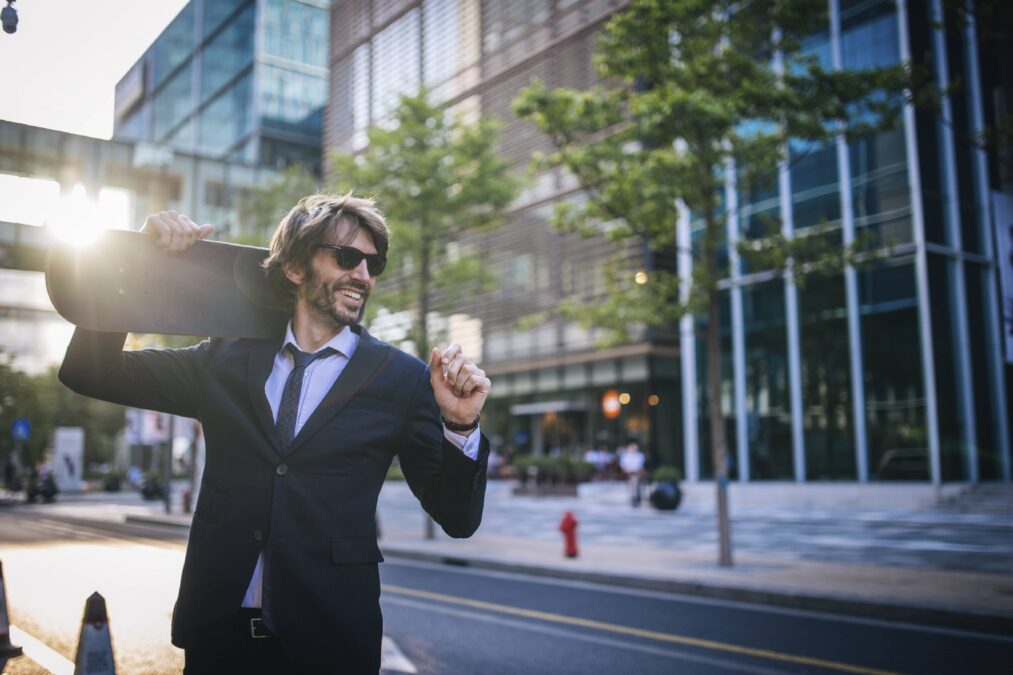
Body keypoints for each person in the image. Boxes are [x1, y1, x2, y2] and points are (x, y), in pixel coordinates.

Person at [59, 194, 491, 674]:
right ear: (295, 269)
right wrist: (131, 267)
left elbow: (457, 517)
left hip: (331, 646)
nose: (363, 276)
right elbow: (89, 373)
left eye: (374, 264)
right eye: (347, 257)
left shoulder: (401, 379)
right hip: (219, 641)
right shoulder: (223, 361)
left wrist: (461, 424)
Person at [619, 441, 646, 507]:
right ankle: (635, 496)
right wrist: (627, 470)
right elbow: (623, 465)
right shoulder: (625, 455)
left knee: (635, 479)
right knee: (634, 480)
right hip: (627, 472)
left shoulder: (640, 455)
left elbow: (640, 465)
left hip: (637, 472)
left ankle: (635, 496)